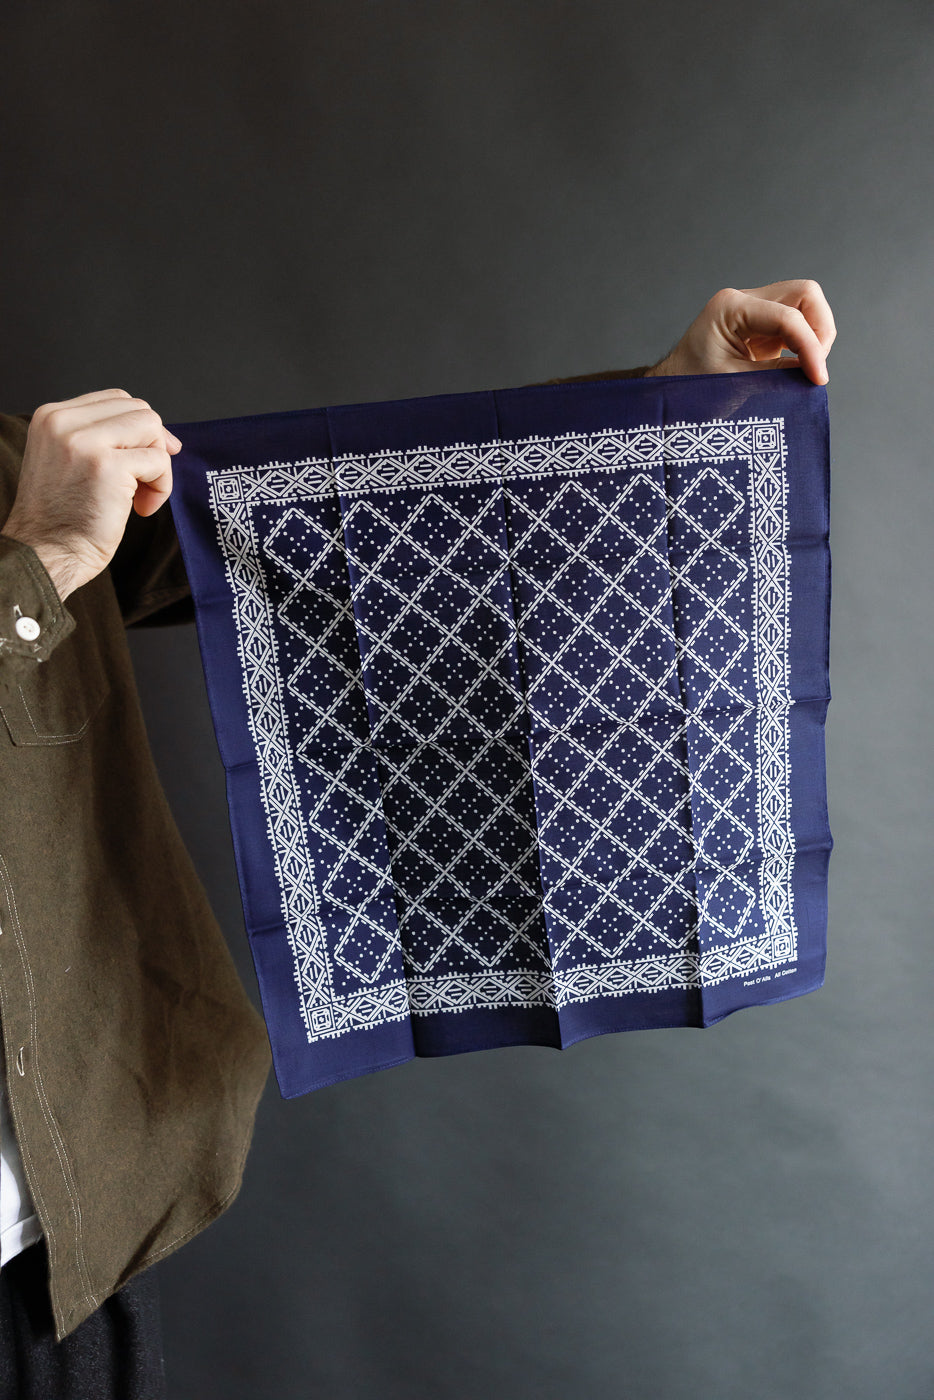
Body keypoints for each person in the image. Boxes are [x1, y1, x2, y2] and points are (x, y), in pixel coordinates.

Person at [0, 279, 835, 1397]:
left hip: (56, 1263)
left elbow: (295, 519)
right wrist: (39, 559)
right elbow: (50, 568)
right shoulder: (33, 506)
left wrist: (668, 407)